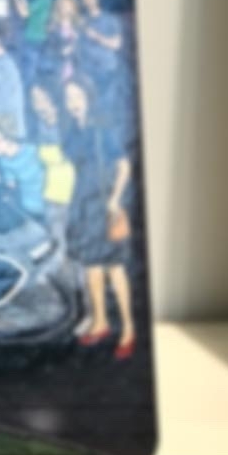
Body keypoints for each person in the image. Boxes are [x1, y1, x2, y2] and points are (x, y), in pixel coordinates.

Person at [63, 77, 137, 360]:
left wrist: (115, 199)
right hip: (83, 205)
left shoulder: (102, 129)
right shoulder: (73, 132)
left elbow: (124, 165)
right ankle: (101, 322)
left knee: (115, 268)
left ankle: (128, 328)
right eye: (68, 97)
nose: (73, 102)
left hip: (104, 205)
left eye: (77, 96)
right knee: (91, 267)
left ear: (88, 96)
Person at [29, 82, 77, 248]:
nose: (37, 104)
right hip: (51, 191)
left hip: (71, 192)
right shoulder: (39, 124)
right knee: (55, 237)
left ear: (52, 98)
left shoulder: (68, 122)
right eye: (33, 99)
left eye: (41, 98)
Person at [0, 116, 46, 220]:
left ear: (10, 139)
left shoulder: (33, 151)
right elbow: (10, 186)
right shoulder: (3, 162)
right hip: (28, 213)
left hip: (50, 209)